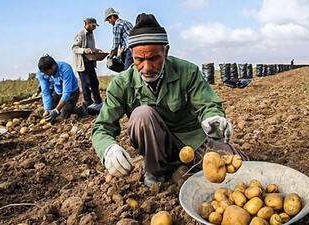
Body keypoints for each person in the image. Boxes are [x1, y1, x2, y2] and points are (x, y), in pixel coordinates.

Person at [91, 13, 245, 187]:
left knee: (238, 167)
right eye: (139, 60)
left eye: (154, 58)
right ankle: (157, 171)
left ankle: (183, 165)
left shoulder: (187, 71)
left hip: (191, 140)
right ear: (132, 55)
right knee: (142, 115)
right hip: (155, 147)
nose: (147, 67)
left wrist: (213, 118)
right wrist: (108, 149)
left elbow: (208, 104)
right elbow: (102, 127)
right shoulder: (121, 84)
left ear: (166, 51)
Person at [36, 55, 81, 122]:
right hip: (58, 92)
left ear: (53, 67)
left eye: (47, 72)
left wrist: (56, 111)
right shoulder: (41, 73)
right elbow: (45, 91)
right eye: (44, 73)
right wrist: (47, 109)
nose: (46, 75)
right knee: (50, 112)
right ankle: (64, 107)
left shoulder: (65, 69)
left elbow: (66, 93)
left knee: (63, 116)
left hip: (71, 92)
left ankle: (80, 110)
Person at [72, 17, 103, 112]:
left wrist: (96, 50)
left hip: (90, 62)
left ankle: (98, 102)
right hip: (82, 63)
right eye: (93, 25)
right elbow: (74, 48)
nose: (94, 28)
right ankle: (88, 104)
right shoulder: (80, 34)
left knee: (95, 82)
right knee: (86, 84)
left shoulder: (91, 34)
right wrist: (84, 50)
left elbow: (90, 48)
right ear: (88, 23)